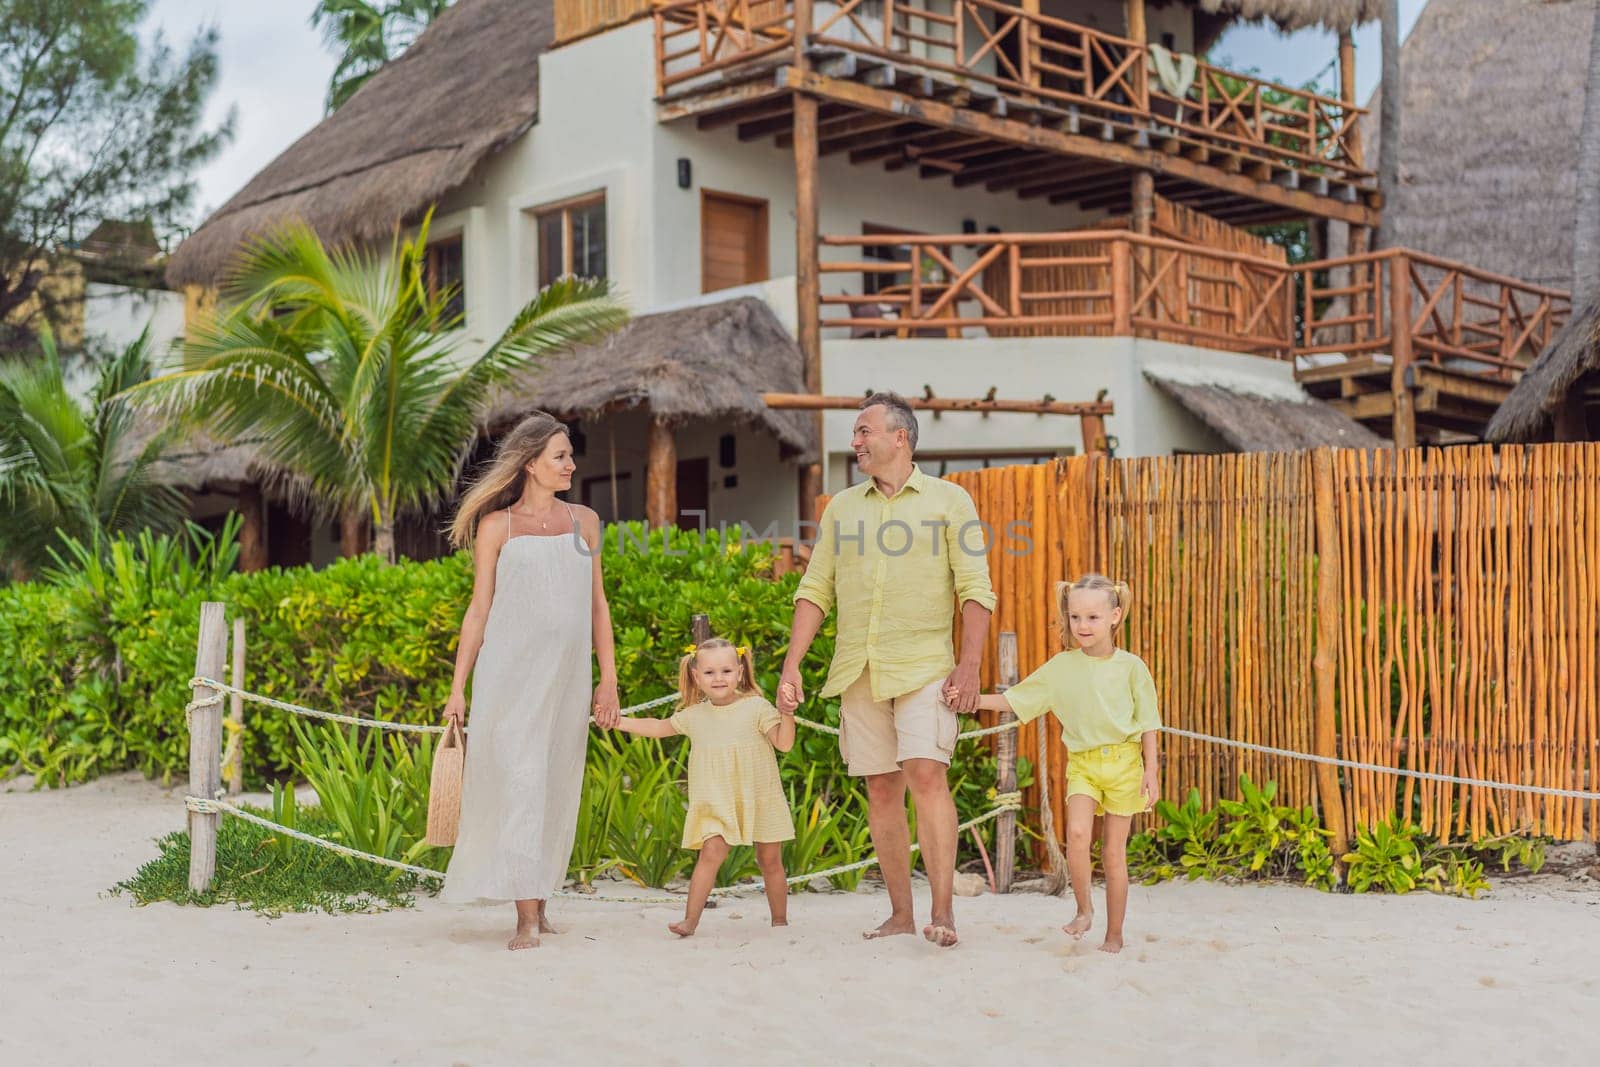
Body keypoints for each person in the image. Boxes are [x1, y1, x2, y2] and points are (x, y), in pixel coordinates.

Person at [778, 391, 994, 948]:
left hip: (926, 666)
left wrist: (969, 667)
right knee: (880, 787)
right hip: (860, 667)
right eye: (855, 434)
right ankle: (901, 912)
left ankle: (942, 912)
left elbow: (975, 590)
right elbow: (815, 589)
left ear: (901, 437)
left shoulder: (952, 501)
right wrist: (792, 665)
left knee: (925, 773)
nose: (856, 443)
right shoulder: (842, 508)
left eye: (864, 431)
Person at [438, 412, 622, 951]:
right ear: (530, 463)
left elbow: (597, 605)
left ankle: (539, 902)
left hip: (567, 677)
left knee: (553, 782)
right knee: (520, 777)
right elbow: (478, 611)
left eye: (569, 455)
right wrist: (458, 687)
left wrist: (607, 678)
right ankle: (524, 917)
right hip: (509, 676)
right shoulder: (498, 527)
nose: (570, 464)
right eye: (560, 456)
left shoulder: (585, 521)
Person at [960, 575, 1160, 954]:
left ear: (1115, 616)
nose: (1082, 626)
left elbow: (1149, 721)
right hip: (1082, 765)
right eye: (1075, 617)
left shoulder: (1133, 667)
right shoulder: (1060, 667)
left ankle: (1114, 934)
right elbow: (1017, 700)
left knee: (1114, 854)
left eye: (1093, 617)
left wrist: (1151, 770)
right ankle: (1083, 910)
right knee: (1079, 836)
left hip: (1124, 766)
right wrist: (972, 698)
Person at [610, 639, 796, 937]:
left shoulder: (757, 708)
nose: (719, 678)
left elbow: (784, 743)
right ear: (696, 676)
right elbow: (658, 728)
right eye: (709, 672)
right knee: (710, 852)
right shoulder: (695, 715)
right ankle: (690, 921)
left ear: (739, 671)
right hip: (717, 801)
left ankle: (780, 921)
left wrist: (787, 712)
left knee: (769, 860)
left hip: (759, 797)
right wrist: (617, 721)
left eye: (725, 670)